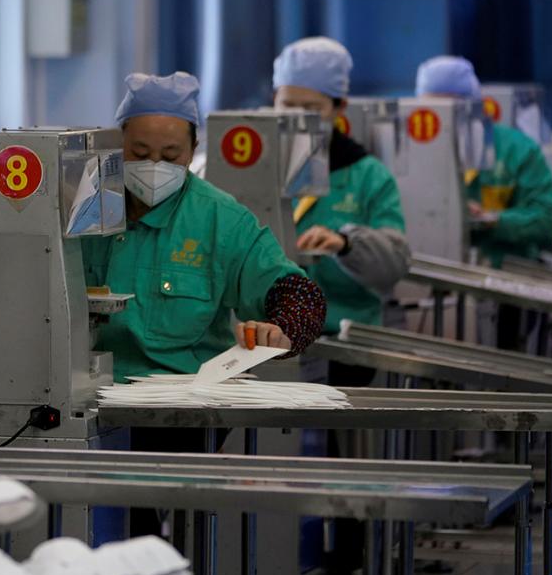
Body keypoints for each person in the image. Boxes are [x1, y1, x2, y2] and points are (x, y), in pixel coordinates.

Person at [82, 71, 327, 384]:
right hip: (86, 394)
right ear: (118, 144)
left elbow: (301, 295)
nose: (155, 165)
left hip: (182, 402)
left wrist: (280, 330)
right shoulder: (84, 208)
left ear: (193, 149)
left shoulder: (220, 221)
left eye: (171, 155)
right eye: (140, 153)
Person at [417, 56, 552, 349]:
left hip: (505, 286)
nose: (445, 121)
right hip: (430, 283)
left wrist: (494, 220)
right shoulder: (411, 153)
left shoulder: (515, 150)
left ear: (474, 108)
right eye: (435, 110)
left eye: (454, 110)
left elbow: (548, 218)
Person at [273, 37, 410, 350]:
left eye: (311, 109)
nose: (298, 119)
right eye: (288, 105)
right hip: (265, 337)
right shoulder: (252, 170)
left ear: (339, 108)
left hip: (343, 339)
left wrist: (347, 243)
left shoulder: (368, 176)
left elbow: (395, 263)